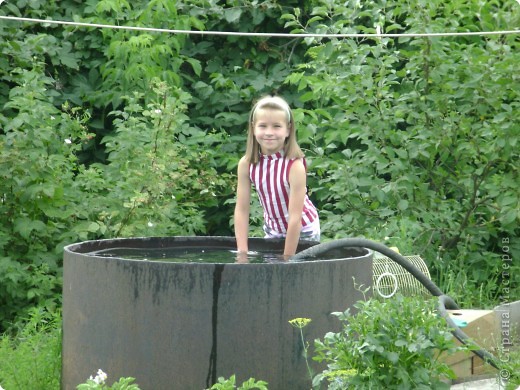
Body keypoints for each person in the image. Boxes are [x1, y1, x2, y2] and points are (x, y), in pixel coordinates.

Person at [234, 95, 320, 261]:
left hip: (303, 230)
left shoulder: (294, 166)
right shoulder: (246, 164)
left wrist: (287, 258)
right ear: (253, 128)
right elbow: (242, 210)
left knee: (295, 275)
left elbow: (295, 218)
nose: (269, 133)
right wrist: (242, 253)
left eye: (276, 126)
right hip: (273, 230)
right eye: (263, 126)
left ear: (288, 129)